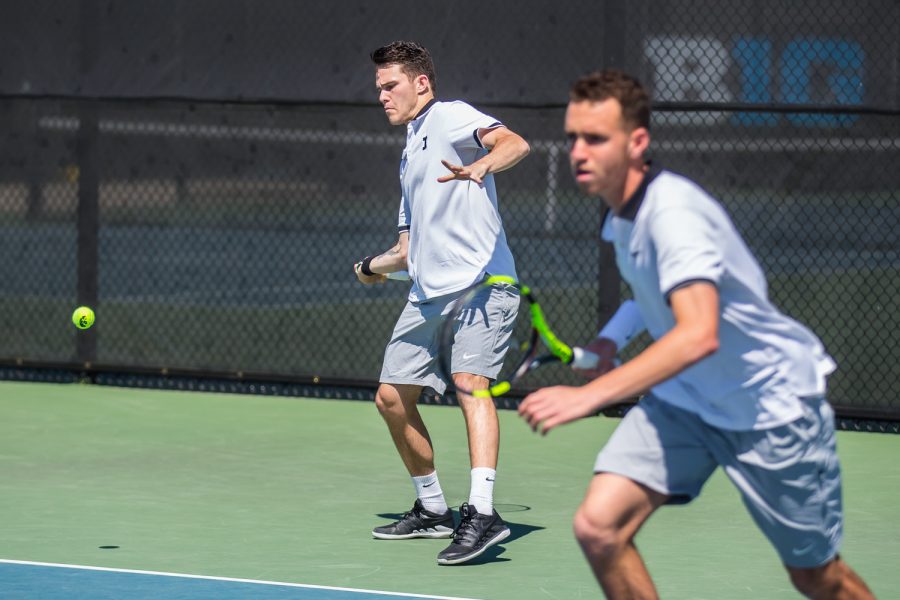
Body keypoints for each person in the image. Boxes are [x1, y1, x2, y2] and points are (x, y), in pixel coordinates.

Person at [518, 70, 874, 599]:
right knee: (599, 528)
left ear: (637, 142)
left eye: (595, 138)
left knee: (817, 578)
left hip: (769, 406)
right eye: (572, 137)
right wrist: (610, 341)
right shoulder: (620, 217)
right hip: (686, 403)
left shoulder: (673, 215)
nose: (578, 151)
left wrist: (589, 395)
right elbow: (648, 293)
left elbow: (698, 333)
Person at [354, 40, 530, 566]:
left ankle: (482, 512)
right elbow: (406, 251)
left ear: (421, 84)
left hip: (483, 285)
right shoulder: (410, 152)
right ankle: (433, 510)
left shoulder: (452, 117)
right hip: (429, 293)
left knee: (470, 384)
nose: (382, 96)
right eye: (378, 88)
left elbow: (515, 144)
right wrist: (370, 267)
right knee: (390, 397)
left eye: (391, 86)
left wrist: (483, 166)